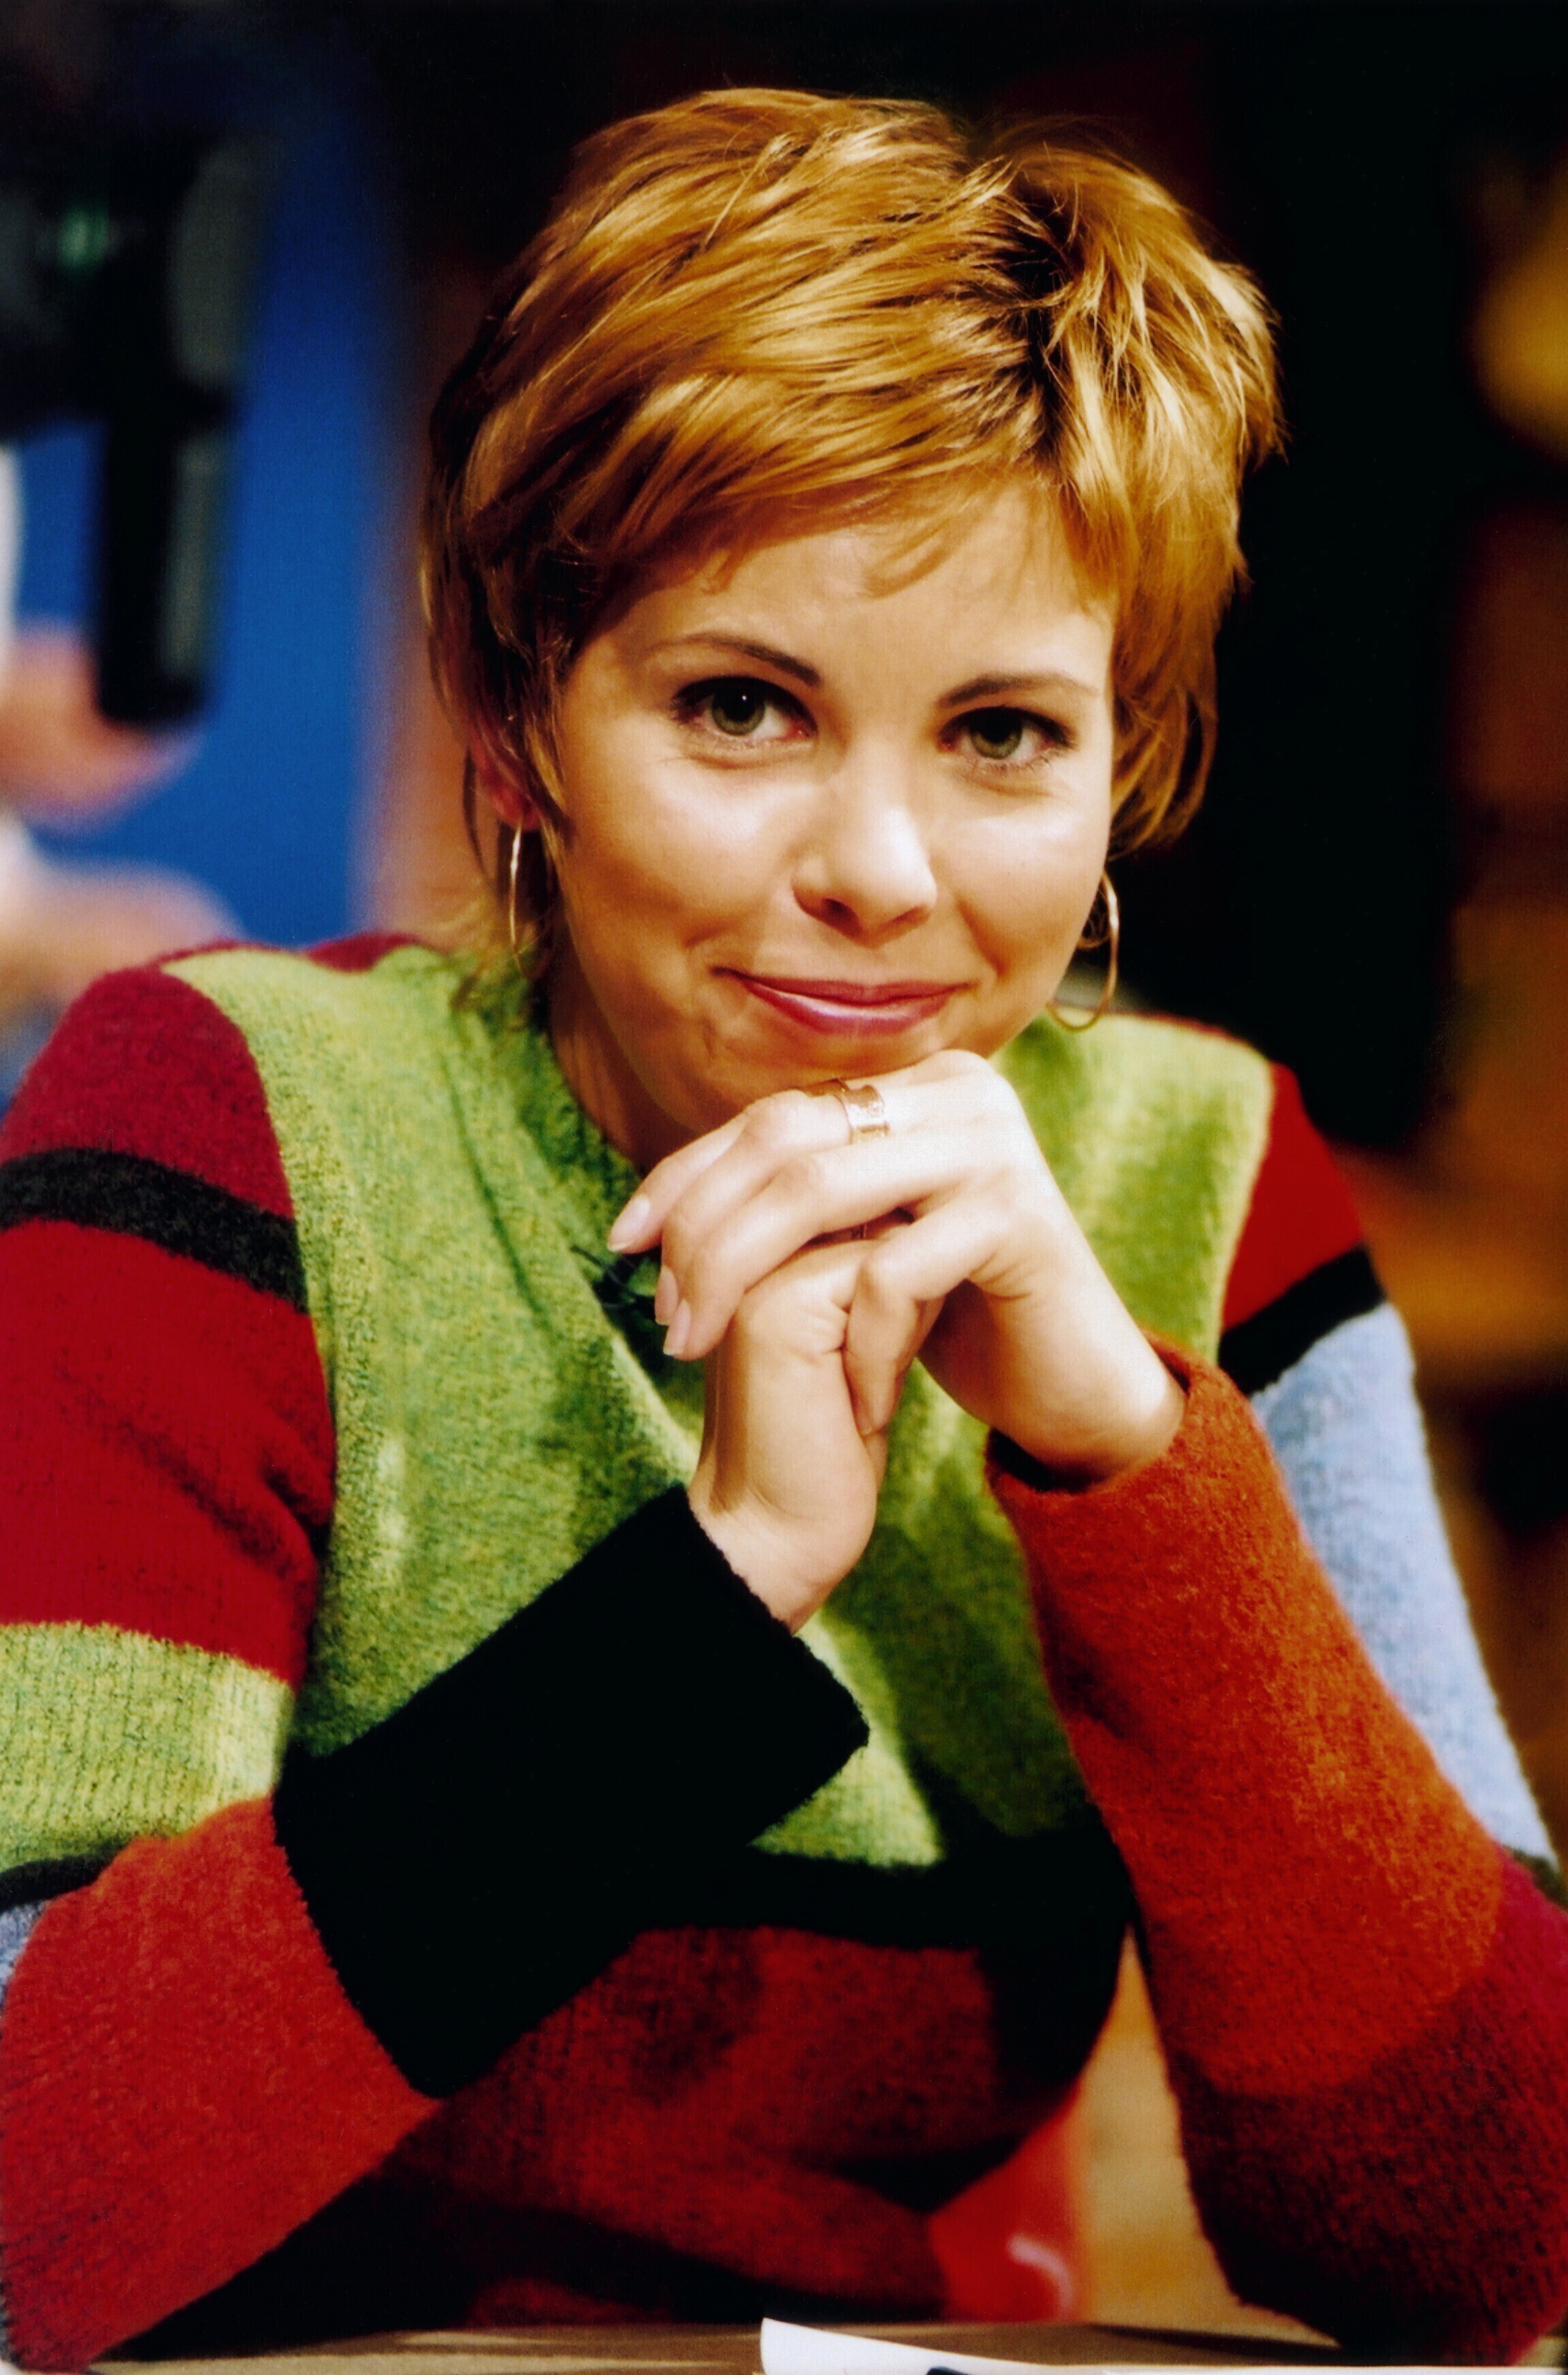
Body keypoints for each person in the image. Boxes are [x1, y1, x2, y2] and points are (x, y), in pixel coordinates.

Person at [0, 86, 1565, 2371]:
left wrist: (1131, 1462)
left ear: (1121, 764)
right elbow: (30, 2199)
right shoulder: (218, 1113)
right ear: (518, 720)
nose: (884, 872)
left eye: (1004, 735)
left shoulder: (1202, 1177)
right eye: (743, 707)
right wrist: (717, 1586)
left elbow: (1492, 2247)